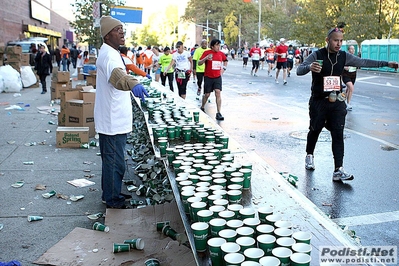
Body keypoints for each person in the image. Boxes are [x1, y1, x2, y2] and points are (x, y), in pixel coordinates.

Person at [297, 27, 398, 182]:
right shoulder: (317, 54)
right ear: (327, 40)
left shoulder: (343, 56)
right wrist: (309, 67)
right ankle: (309, 155)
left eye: (341, 41)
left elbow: (364, 62)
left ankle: (338, 169)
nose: (339, 44)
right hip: (318, 101)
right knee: (315, 129)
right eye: (335, 40)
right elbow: (299, 69)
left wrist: (387, 64)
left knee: (338, 133)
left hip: (337, 101)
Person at [94, 16, 149, 209]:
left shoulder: (112, 52)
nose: (122, 32)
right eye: (117, 30)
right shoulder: (108, 55)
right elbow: (117, 76)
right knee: (113, 161)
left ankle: (110, 192)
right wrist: (134, 84)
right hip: (111, 120)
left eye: (122, 29)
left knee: (114, 159)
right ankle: (112, 199)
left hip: (115, 118)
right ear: (108, 35)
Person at [198, 38, 228, 121]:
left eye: (219, 45)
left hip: (217, 77)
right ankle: (203, 106)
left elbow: (225, 60)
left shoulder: (221, 54)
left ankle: (218, 112)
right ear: (212, 46)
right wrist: (206, 58)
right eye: (216, 45)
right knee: (207, 94)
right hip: (208, 77)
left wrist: (223, 69)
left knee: (218, 92)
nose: (218, 47)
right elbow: (199, 63)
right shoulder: (207, 53)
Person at [342, 45, 357, 111]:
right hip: (346, 75)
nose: (353, 50)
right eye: (351, 49)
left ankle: (342, 100)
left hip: (353, 75)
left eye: (354, 49)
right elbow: (340, 65)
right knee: (351, 88)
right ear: (348, 50)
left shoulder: (355, 57)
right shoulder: (346, 57)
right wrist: (345, 67)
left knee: (348, 89)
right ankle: (348, 104)